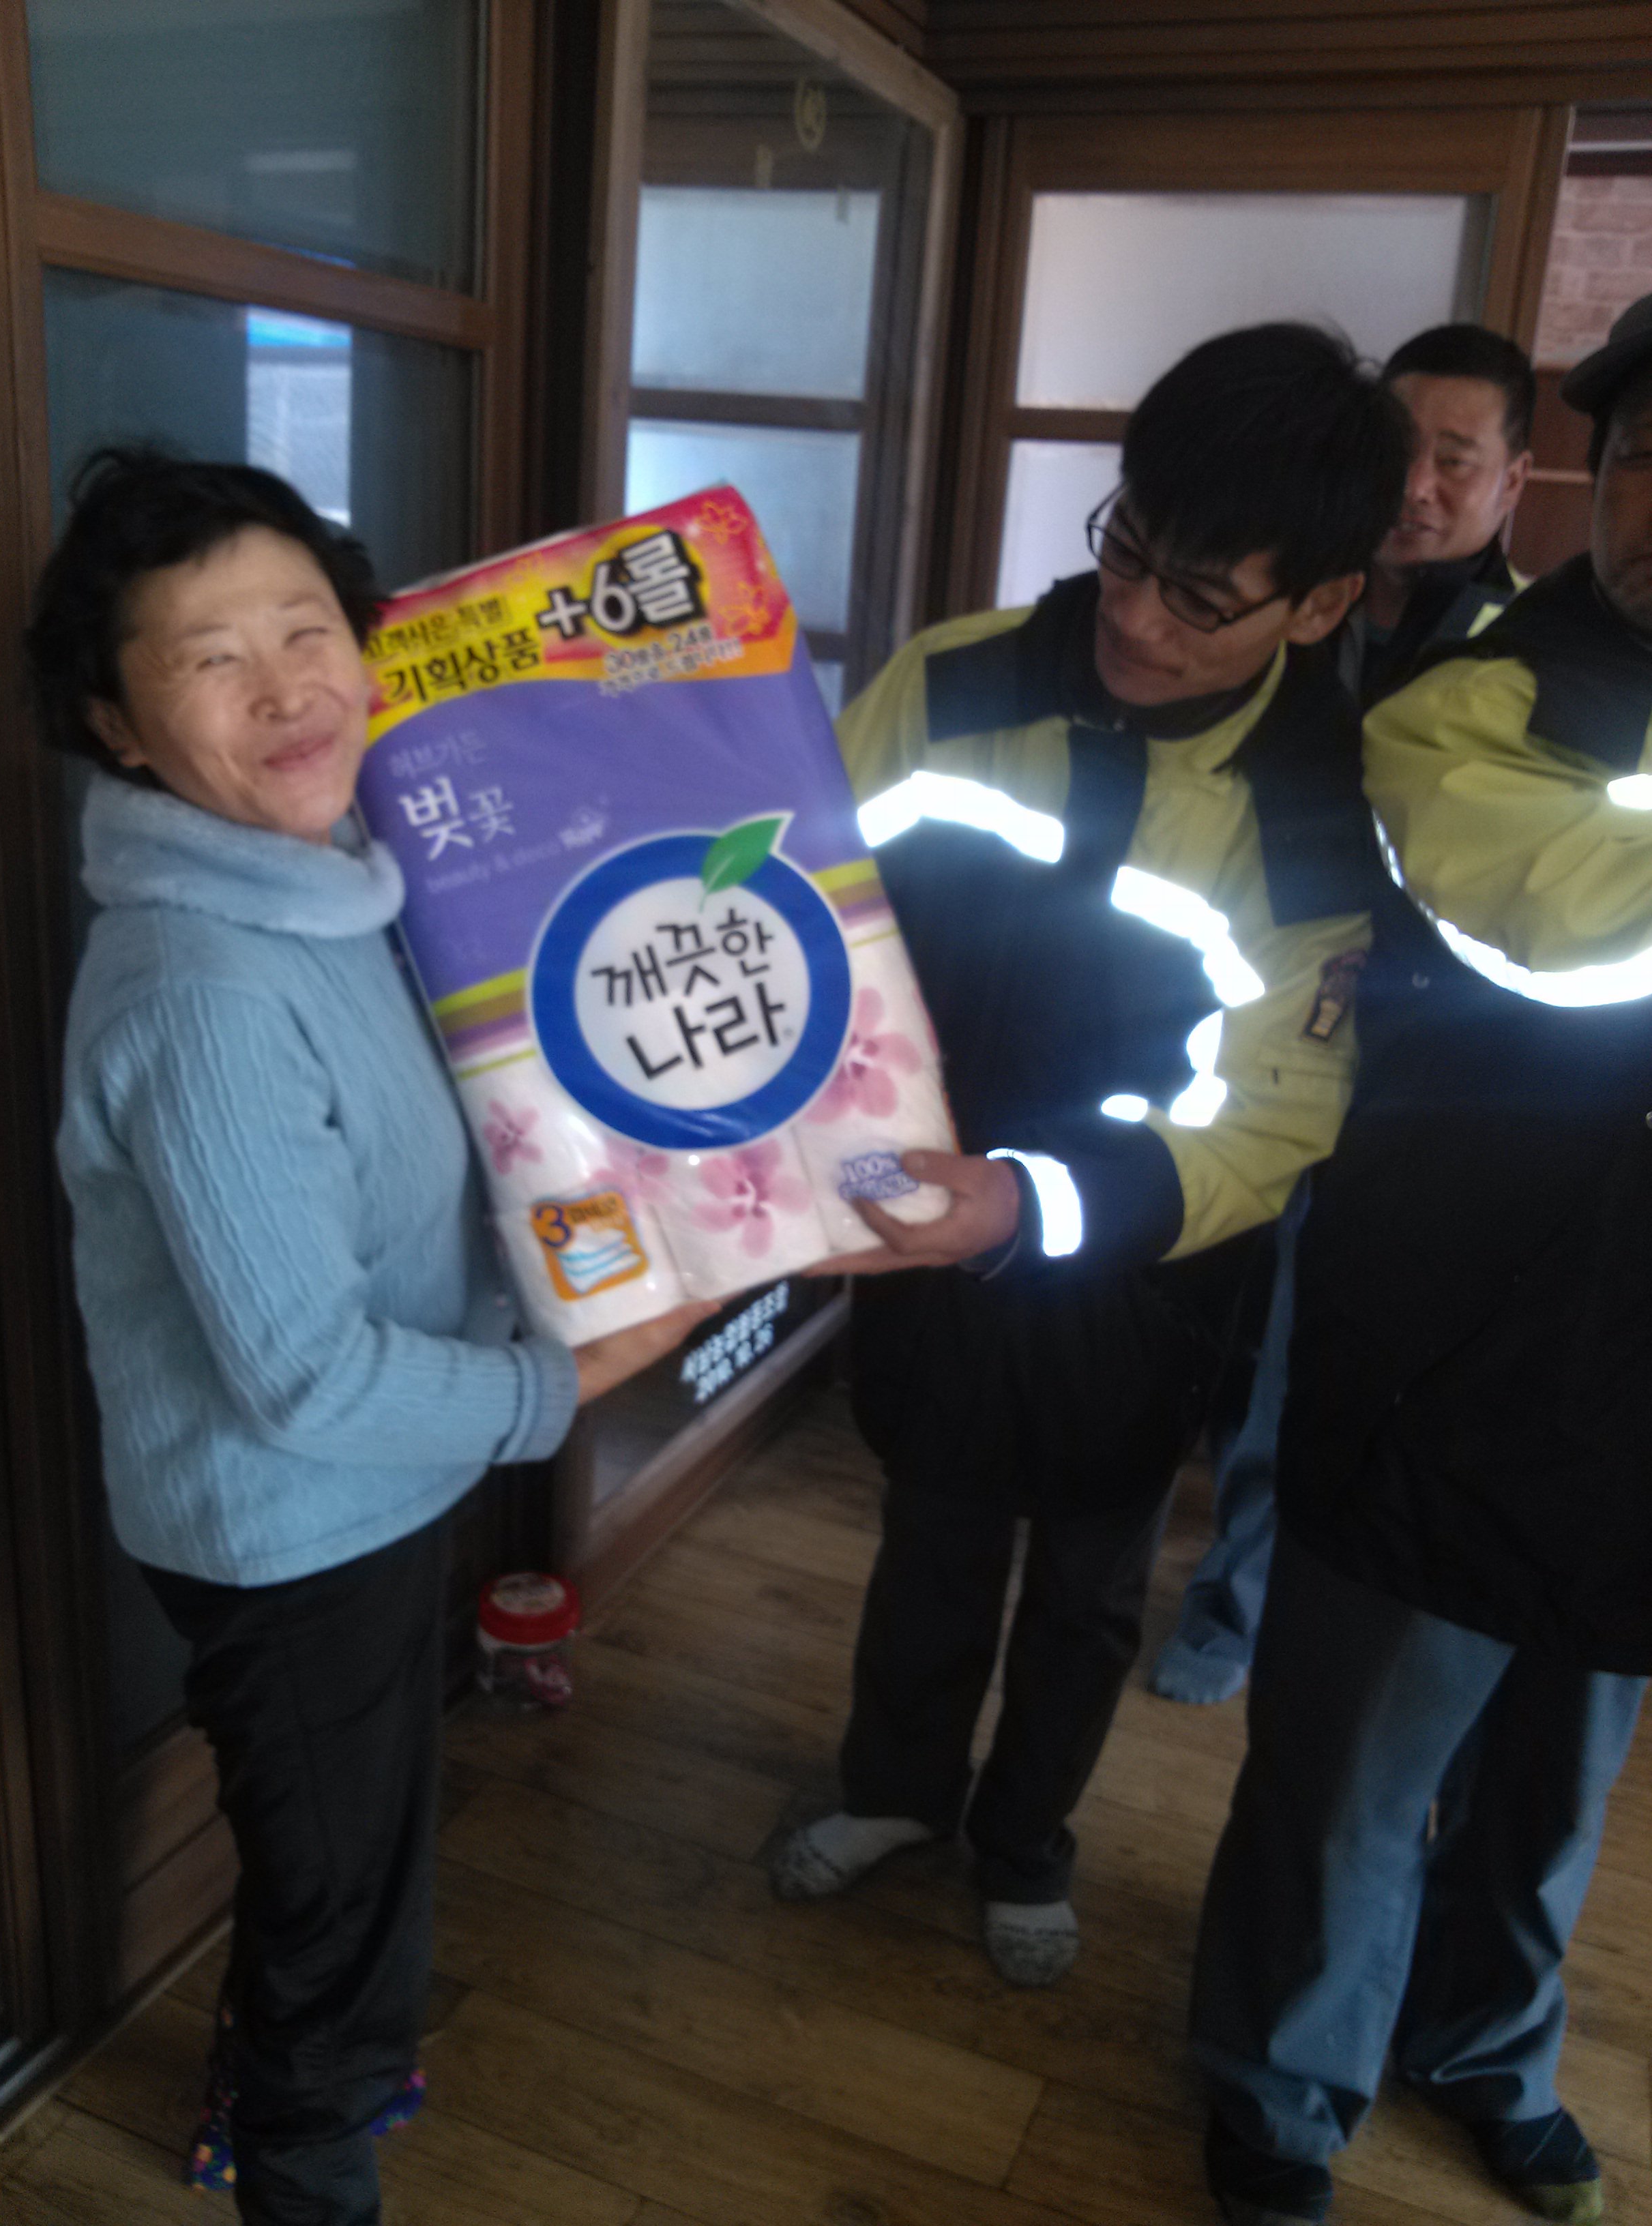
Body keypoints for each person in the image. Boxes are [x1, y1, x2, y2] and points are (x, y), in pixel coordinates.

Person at [30, 448, 707, 2226]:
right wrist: (570, 1382)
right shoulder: (203, 986)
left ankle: (273, 2080)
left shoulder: (333, 872)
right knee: (344, 1904)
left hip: (375, 1490)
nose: (285, 688)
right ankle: (304, 2159)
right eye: (210, 658)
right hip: (292, 1527)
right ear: (115, 724)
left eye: (305, 629)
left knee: (342, 1848)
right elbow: (308, 1379)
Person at [771, 324, 1408, 1987]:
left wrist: (1031, 1203)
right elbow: (807, 907)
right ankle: (894, 1790)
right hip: (922, 1222)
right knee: (929, 1536)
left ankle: (1025, 1844)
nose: (1137, 616)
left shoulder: (1316, 814)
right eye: (1129, 548)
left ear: (1322, 604)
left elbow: (1278, 1109)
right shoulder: (954, 680)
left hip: (1142, 1270)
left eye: (1203, 596)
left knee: (1089, 1588)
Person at [1188, 298, 1652, 2226]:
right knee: (1353, 1771)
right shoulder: (1477, 698)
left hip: (1638, 1378)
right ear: (1589, 485)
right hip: (1449, 1341)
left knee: (1557, 1779)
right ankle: (1277, 2093)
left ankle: (1485, 2049)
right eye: (1646, 463)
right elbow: (1564, 916)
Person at [1151, 322, 1536, 1708]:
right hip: (1230, 1015)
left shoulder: (1530, 652)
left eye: (1457, 460)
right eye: (1401, 450)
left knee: (1299, 1342)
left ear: (1513, 480)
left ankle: (1234, 1603)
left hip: (1410, 1071)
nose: (1417, 488)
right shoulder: (1289, 595)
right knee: (1198, 1284)